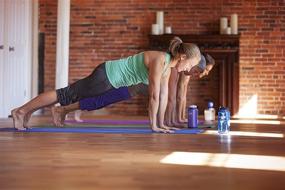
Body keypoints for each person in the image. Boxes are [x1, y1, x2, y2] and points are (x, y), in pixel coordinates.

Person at [11, 36, 201, 133]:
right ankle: (20, 111)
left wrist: (162, 124)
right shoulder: (161, 60)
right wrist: (154, 126)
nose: (189, 69)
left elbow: (163, 96)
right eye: (191, 64)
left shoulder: (168, 67)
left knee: (72, 96)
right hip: (106, 76)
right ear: (183, 57)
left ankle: (30, 111)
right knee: (65, 94)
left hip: (110, 80)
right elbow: (153, 96)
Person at [51, 84, 148, 127]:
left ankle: (64, 109)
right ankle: (61, 109)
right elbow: (154, 99)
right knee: (96, 101)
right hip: (126, 88)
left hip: (127, 90)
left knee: (97, 102)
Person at [165, 53, 215, 127]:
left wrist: (182, 118)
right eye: (207, 70)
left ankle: (178, 118)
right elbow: (179, 95)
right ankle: (175, 118)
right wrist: (179, 119)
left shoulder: (189, 71)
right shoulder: (186, 70)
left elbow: (183, 95)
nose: (207, 73)